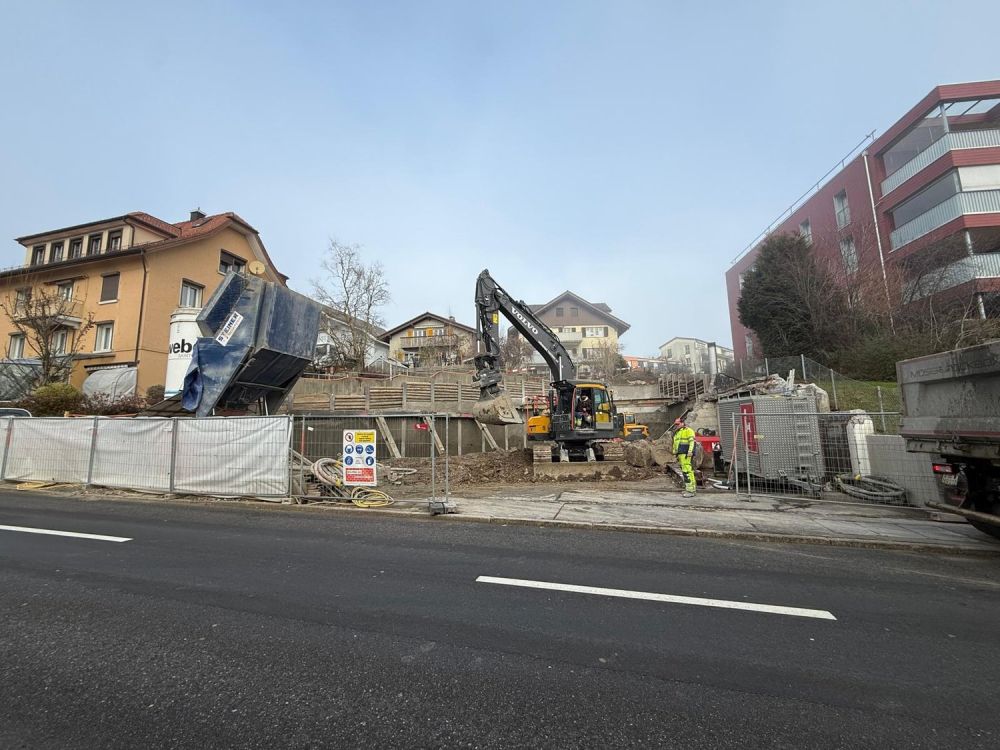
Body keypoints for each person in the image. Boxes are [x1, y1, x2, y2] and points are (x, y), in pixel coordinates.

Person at [672, 417, 697, 497]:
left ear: (682, 423)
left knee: (687, 471)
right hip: (681, 454)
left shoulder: (688, 431)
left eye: (678, 424)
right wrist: (675, 452)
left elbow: (692, 442)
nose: (677, 426)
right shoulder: (678, 432)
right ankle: (690, 488)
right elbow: (676, 443)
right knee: (687, 471)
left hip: (686, 454)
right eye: (676, 424)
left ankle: (691, 491)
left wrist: (690, 451)